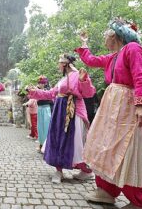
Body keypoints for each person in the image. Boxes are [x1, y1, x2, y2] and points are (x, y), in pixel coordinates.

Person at [75, 18, 142, 208]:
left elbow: (141, 76)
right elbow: (91, 60)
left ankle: (138, 199)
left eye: (105, 34)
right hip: (111, 107)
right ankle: (106, 190)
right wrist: (84, 44)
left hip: (127, 107)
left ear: (113, 34)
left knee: (129, 148)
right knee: (106, 146)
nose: (104, 38)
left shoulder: (132, 48)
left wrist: (141, 104)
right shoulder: (114, 56)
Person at [28, 54, 96, 183]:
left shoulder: (78, 74)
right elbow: (50, 94)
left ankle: (86, 171)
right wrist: (34, 91)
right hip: (59, 112)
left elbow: (88, 93)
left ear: (65, 64)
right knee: (58, 139)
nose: (58, 65)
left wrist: (84, 81)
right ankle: (59, 171)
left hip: (73, 112)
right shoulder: (63, 79)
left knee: (74, 143)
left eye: (59, 63)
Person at [35, 76, 54, 153]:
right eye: (39, 82)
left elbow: (51, 99)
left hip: (47, 109)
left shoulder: (48, 90)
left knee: (47, 128)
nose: (40, 84)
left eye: (42, 83)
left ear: (45, 83)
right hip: (40, 109)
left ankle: (48, 146)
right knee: (40, 128)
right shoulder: (37, 90)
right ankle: (41, 144)